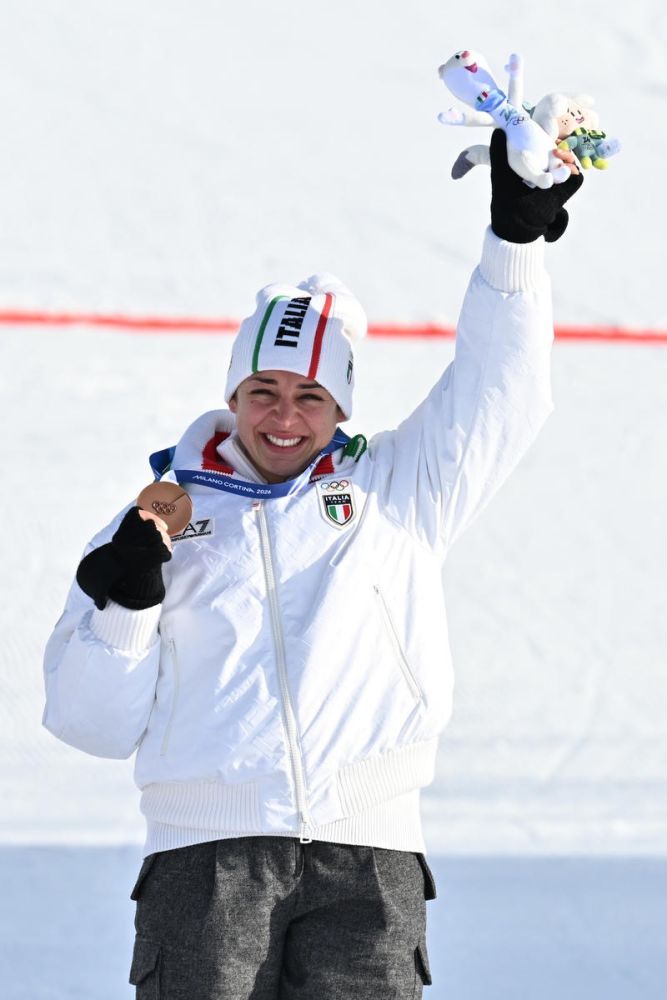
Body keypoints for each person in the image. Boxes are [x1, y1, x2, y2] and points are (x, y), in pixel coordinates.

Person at [43, 130, 582, 999]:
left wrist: (513, 247)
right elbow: (89, 726)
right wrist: (129, 608)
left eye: (311, 396)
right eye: (263, 391)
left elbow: (502, 390)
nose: (284, 417)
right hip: (204, 862)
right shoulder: (148, 527)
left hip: (367, 857)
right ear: (233, 395)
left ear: (342, 406)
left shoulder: (398, 488)